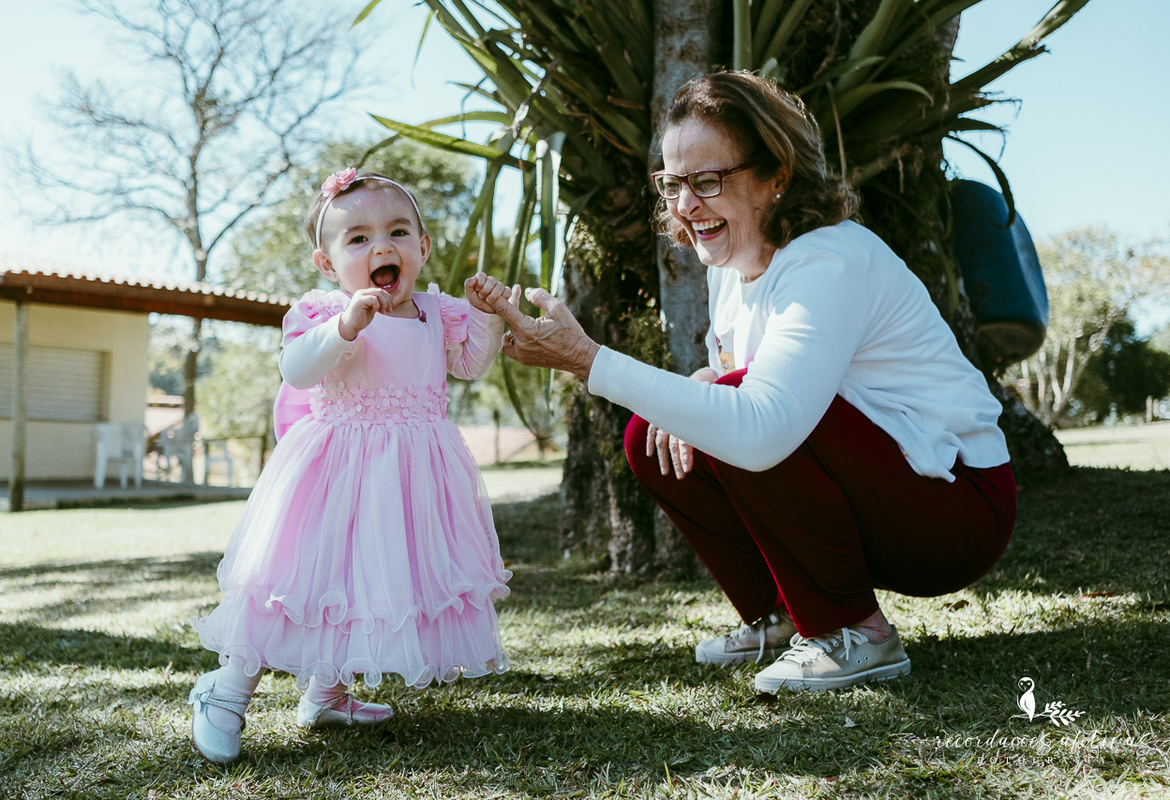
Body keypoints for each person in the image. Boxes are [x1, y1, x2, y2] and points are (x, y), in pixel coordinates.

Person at [492, 72, 1016, 695]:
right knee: (650, 435)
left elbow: (765, 425)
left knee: (740, 408)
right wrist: (703, 381)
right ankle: (783, 615)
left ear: (777, 177)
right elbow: (742, 374)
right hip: (889, 490)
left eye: (708, 181)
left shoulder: (827, 259)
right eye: (672, 183)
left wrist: (588, 360)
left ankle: (853, 630)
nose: (686, 205)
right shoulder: (731, 263)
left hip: (955, 509)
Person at [188, 168, 517, 763]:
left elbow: (470, 364)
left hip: (412, 474)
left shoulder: (435, 310)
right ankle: (226, 690)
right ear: (327, 262)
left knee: (370, 582)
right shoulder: (325, 310)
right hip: (336, 472)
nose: (381, 247)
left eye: (397, 232)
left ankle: (328, 692)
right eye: (358, 238)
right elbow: (297, 371)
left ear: (423, 246)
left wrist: (489, 317)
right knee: (302, 580)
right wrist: (345, 327)